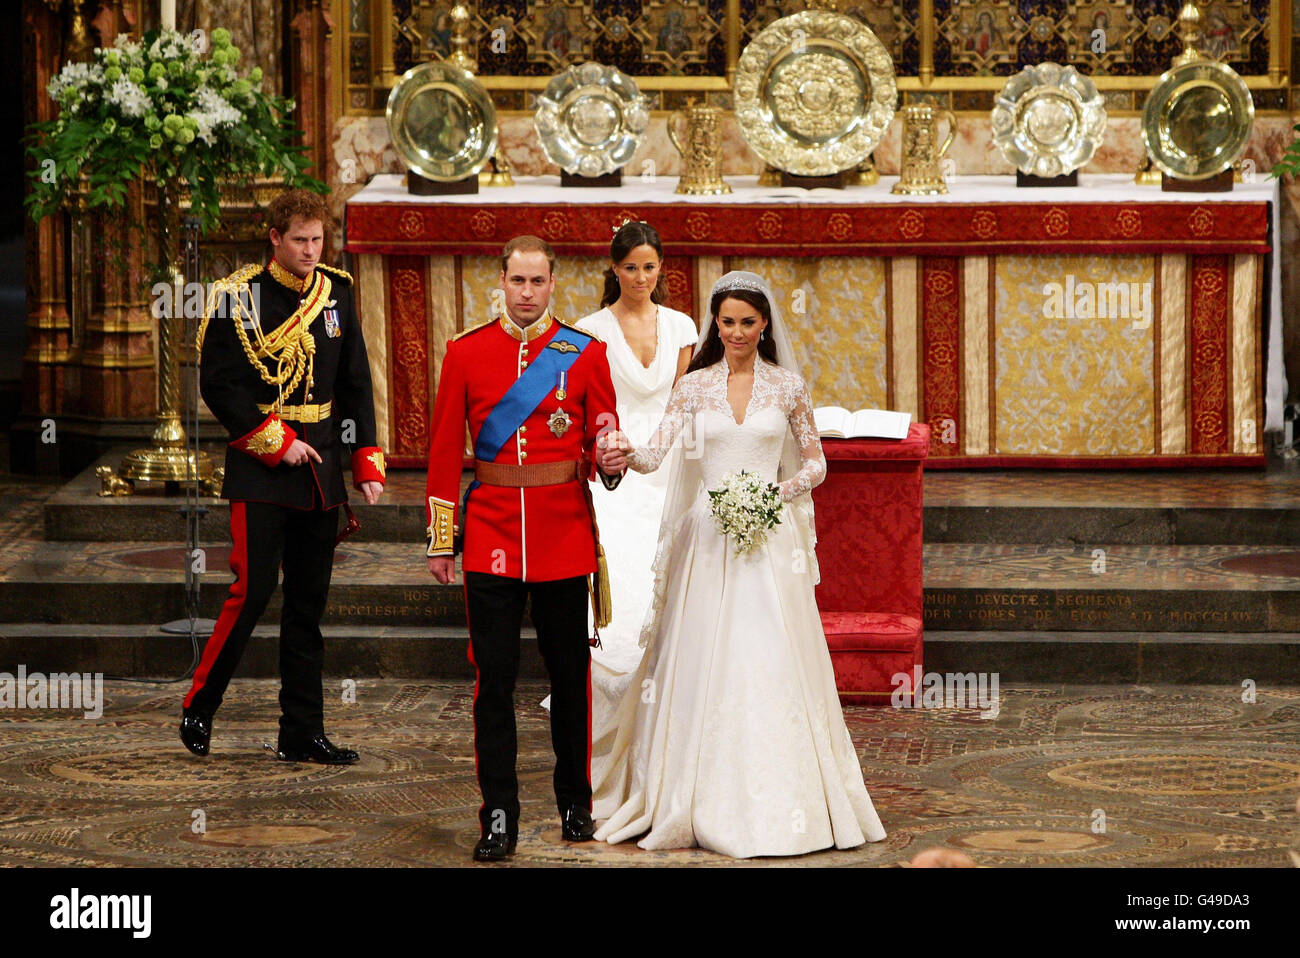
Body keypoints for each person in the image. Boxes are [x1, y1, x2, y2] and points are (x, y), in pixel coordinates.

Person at [593, 270, 887, 858]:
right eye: (726, 322)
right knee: (703, 657)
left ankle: (787, 796)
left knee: (769, 658)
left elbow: (816, 465)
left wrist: (774, 494)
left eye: (747, 322)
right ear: (714, 324)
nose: (735, 332)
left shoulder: (789, 387)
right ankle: (691, 793)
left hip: (767, 540)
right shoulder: (694, 386)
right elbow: (656, 455)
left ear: (765, 324)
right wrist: (625, 452)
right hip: (706, 541)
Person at [425, 235, 626, 862]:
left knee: (570, 680)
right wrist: (442, 538)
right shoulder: (465, 353)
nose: (528, 293)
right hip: (489, 539)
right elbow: (439, 454)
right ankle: (500, 816)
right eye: (518, 281)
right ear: (503, 280)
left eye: (539, 282)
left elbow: (602, 435)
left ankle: (575, 803)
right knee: (494, 684)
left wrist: (612, 458)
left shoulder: (584, 353)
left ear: (553, 284)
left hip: (563, 536)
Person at [180, 188, 386, 765]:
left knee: (307, 605)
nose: (311, 251)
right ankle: (200, 706)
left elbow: (355, 383)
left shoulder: (336, 292)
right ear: (274, 238)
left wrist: (365, 456)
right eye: (300, 240)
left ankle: (303, 729)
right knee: (252, 592)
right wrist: (276, 443)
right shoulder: (235, 298)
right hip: (261, 468)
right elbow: (219, 385)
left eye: (318, 240)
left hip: (320, 467)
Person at [539, 221, 696, 742]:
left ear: (661, 268)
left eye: (650, 267)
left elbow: (684, 401)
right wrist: (607, 450)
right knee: (620, 542)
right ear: (614, 268)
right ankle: (614, 670)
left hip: (671, 455)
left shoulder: (682, 327)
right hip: (614, 459)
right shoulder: (589, 329)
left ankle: (676, 669)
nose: (641, 277)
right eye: (631, 267)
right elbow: (581, 402)